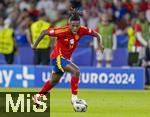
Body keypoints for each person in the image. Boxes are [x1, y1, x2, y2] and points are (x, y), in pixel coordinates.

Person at [32, 10, 104, 108]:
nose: (75, 28)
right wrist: (34, 46)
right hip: (57, 57)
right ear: (68, 24)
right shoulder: (62, 31)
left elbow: (97, 34)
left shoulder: (82, 30)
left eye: (77, 25)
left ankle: (37, 97)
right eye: (73, 25)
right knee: (76, 71)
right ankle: (74, 99)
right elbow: (44, 32)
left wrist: (100, 43)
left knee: (54, 81)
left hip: (64, 59)